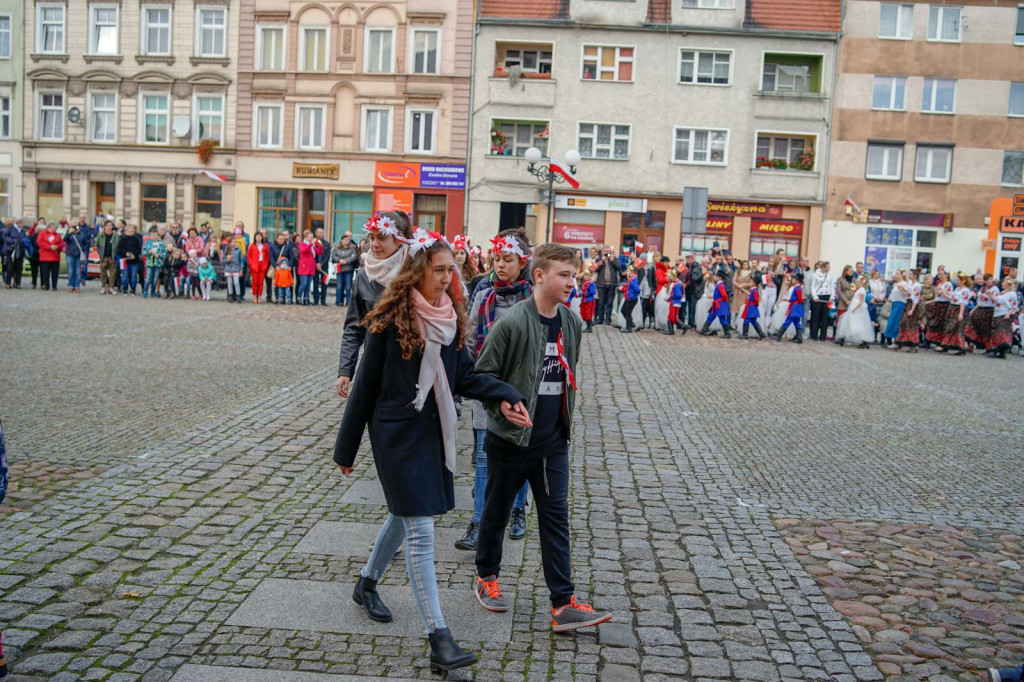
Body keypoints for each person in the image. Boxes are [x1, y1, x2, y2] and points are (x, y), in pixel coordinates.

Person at [334, 230, 529, 673]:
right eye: (438, 270)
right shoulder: (387, 321)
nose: (446, 279)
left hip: (432, 430)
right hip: (395, 437)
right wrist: (346, 450)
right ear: (417, 272)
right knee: (421, 530)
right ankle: (439, 639)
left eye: (450, 271)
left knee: (405, 517)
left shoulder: (448, 318)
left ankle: (366, 583)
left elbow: (463, 377)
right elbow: (364, 389)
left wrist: (504, 394)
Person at [472, 242, 613, 635]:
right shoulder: (513, 323)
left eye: (574, 275)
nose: (572, 282)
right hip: (511, 442)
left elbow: (566, 377)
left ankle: (563, 603)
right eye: (564, 275)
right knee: (496, 512)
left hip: (552, 442)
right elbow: (481, 377)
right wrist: (502, 402)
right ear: (539, 275)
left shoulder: (571, 322)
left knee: (555, 519)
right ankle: (486, 575)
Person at [456, 228, 534, 552]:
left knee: (520, 452)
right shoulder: (483, 291)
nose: (500, 264)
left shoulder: (533, 294)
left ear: (522, 262)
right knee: (486, 457)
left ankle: (517, 511)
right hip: (489, 385)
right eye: (497, 258)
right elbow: (471, 337)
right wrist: (472, 379)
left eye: (508, 259)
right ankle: (478, 521)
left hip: (524, 387)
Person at [336, 211, 415, 399]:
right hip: (376, 366)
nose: (374, 244)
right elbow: (354, 327)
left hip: (412, 367)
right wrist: (345, 370)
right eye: (371, 237)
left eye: (382, 238)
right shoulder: (365, 276)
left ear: (399, 240)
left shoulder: (415, 272)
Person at [834, 277, 873, 349]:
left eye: (858, 281)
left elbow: (861, 301)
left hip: (858, 309)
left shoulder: (862, 290)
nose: (856, 283)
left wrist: (855, 308)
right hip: (854, 307)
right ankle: (843, 337)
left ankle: (863, 340)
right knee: (848, 322)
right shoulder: (859, 290)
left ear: (861, 283)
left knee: (858, 324)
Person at [987, 278, 1020, 359]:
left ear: (1008, 284)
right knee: (996, 332)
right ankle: (998, 349)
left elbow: (1013, 305)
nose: (1002, 284)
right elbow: (996, 301)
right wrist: (991, 295)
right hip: (997, 314)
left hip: (1005, 314)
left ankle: (1000, 350)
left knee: (1002, 333)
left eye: (1004, 282)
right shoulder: (1002, 293)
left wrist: (1008, 314)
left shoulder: (1012, 294)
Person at [966, 274, 999, 351]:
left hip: (989, 310)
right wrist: (973, 310)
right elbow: (979, 302)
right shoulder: (982, 289)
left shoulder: (995, 289)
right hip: (981, 309)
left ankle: (988, 348)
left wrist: (990, 295)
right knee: (974, 326)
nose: (989, 281)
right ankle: (971, 344)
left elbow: (996, 301)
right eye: (987, 280)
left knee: (987, 330)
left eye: (990, 279)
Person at [894, 269, 923, 352]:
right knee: (904, 323)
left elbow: (916, 298)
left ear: (915, 276)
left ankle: (913, 343)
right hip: (908, 303)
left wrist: (912, 309)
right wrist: (902, 290)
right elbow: (909, 294)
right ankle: (901, 341)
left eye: (911, 274)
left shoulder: (917, 285)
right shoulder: (910, 284)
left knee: (911, 324)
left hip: (913, 305)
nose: (909, 275)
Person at [770, 273, 805, 343]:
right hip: (795, 307)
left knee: (788, 321)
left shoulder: (797, 288)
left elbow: (800, 299)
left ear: (798, 281)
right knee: (797, 322)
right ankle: (799, 337)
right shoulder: (797, 288)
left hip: (795, 307)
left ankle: (779, 335)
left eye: (795, 279)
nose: (793, 280)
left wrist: (789, 300)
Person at [592, 245, 621, 325]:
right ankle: (600, 318)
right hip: (601, 284)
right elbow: (595, 269)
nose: (607, 253)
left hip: (612, 284)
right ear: (602, 252)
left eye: (608, 251)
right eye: (605, 251)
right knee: (601, 302)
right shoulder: (599, 259)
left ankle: (608, 319)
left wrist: (613, 261)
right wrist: (601, 261)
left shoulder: (614, 258)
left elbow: (619, 267)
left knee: (610, 302)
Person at [698, 271, 731, 338]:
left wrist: (719, 301)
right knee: (710, 316)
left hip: (719, 305)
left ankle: (727, 333)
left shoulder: (721, 285)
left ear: (720, 277)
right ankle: (704, 330)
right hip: (716, 305)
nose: (715, 277)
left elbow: (724, 295)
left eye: (716, 276)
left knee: (722, 318)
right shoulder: (718, 284)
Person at [926, 270, 953, 350]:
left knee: (943, 324)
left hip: (945, 305)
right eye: (939, 274)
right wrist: (928, 302)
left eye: (941, 274)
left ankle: (944, 344)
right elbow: (937, 298)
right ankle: (937, 341)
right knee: (937, 324)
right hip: (938, 305)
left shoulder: (948, 284)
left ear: (946, 275)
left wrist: (943, 292)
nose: (940, 276)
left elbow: (950, 297)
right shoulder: (940, 284)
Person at [331, 232, 359, 307]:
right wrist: (339, 260)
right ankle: (338, 301)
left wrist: (346, 260)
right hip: (339, 269)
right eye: (345, 240)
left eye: (348, 240)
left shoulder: (352, 248)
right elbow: (334, 256)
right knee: (339, 286)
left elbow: (354, 257)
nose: (347, 241)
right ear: (342, 240)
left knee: (348, 286)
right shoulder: (337, 247)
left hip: (348, 269)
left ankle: (348, 302)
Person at [809, 262, 834, 341]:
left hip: (827, 296)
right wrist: (815, 296)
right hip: (818, 295)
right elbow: (813, 286)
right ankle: (814, 334)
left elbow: (832, 286)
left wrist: (832, 296)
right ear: (823, 267)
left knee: (825, 317)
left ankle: (823, 335)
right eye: (827, 267)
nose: (828, 269)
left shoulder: (830, 275)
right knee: (816, 316)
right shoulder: (815, 275)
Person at [115, 224, 142, 295]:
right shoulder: (122, 239)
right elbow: (119, 249)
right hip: (124, 260)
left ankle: (133, 289)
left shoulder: (136, 240)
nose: (130, 232)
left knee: (133, 276)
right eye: (128, 231)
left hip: (134, 260)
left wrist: (134, 255)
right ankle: (125, 288)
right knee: (124, 276)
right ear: (125, 231)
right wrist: (125, 253)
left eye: (131, 231)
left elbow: (139, 249)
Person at [36, 221, 63, 291]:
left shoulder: (58, 235)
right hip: (45, 256)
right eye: (55, 227)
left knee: (55, 272)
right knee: (45, 272)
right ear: (51, 227)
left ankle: (54, 285)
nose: (56, 228)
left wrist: (57, 246)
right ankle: (46, 285)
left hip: (55, 257)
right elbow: (40, 242)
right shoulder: (42, 234)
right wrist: (49, 246)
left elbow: (62, 243)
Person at [296, 230, 320, 305]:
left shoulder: (312, 245)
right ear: (306, 237)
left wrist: (320, 246)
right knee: (304, 283)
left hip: (311, 266)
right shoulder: (302, 244)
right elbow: (304, 250)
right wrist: (311, 244)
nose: (312, 238)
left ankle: (306, 298)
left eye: (312, 237)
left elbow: (318, 252)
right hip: (304, 266)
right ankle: (299, 297)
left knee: (308, 284)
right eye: (311, 237)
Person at [95, 222, 119, 295]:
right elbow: (97, 245)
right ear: (105, 226)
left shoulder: (115, 235)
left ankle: (111, 288)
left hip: (112, 257)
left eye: (110, 225)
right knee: (103, 273)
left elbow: (118, 245)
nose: (109, 227)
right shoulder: (101, 234)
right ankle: (103, 287)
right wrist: (100, 253)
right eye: (107, 225)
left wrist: (115, 254)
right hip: (103, 257)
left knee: (112, 274)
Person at [63, 222, 88, 293]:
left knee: (77, 271)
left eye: (76, 227)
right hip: (70, 254)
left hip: (78, 254)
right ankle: (71, 285)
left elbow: (86, 244)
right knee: (70, 271)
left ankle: (77, 286)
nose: (75, 228)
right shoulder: (69, 233)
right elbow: (64, 240)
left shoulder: (82, 234)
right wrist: (69, 232)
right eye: (73, 227)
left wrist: (83, 249)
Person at [246, 232, 271, 304]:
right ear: (255, 237)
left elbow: (267, 256)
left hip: (262, 265)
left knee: (260, 282)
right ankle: (254, 296)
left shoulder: (265, 246)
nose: (259, 237)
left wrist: (265, 265)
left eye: (260, 236)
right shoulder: (252, 246)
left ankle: (259, 296)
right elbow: (249, 256)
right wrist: (251, 265)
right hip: (255, 265)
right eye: (257, 236)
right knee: (255, 282)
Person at [142, 231, 168, 298]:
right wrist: (148, 252)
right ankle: (145, 291)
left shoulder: (161, 244)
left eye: (155, 235)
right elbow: (143, 252)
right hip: (149, 263)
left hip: (157, 264)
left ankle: (153, 292)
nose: (153, 237)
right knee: (148, 278)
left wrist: (159, 255)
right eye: (152, 235)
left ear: (158, 236)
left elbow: (165, 253)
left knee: (155, 279)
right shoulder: (147, 243)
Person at [731, 260, 754, 329]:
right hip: (738, 292)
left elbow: (751, 283)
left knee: (743, 309)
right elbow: (734, 281)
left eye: (746, 265)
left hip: (746, 292)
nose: (745, 266)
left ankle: (741, 325)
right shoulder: (737, 272)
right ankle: (733, 324)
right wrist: (739, 286)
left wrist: (744, 285)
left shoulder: (751, 273)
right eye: (744, 265)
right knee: (735, 308)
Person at [684, 254, 704, 329]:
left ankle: (691, 323)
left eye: (691, 258)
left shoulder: (697, 266)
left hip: (693, 289)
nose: (689, 259)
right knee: (683, 308)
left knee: (692, 308)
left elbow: (697, 277)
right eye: (688, 258)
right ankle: (682, 323)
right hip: (684, 289)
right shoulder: (683, 266)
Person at [619, 266, 641, 333]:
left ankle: (629, 328)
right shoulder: (629, 280)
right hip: (627, 298)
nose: (627, 272)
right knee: (623, 310)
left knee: (628, 313)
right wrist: (622, 288)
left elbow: (638, 289)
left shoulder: (632, 281)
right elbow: (627, 288)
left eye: (628, 271)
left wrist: (635, 294)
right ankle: (631, 323)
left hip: (631, 299)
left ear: (632, 273)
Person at [223, 237, 244, 303]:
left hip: (236, 269)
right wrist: (227, 260)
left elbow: (241, 260)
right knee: (229, 283)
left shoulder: (238, 250)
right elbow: (223, 259)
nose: (234, 243)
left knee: (236, 282)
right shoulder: (227, 250)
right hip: (229, 269)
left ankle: (238, 295)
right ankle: (230, 295)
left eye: (235, 242)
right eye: (233, 242)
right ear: (229, 243)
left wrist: (241, 269)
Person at [312, 227, 330, 306]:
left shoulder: (326, 243)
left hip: (324, 266)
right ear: (316, 234)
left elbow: (327, 255)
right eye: (319, 232)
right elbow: (312, 254)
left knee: (324, 284)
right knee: (315, 283)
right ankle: (315, 299)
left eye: (322, 232)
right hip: (315, 266)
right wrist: (316, 263)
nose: (321, 234)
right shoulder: (313, 243)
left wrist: (322, 263)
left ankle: (323, 300)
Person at [664, 270, 685, 336]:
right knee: (670, 316)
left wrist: (671, 297)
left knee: (674, 317)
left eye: (672, 276)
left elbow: (678, 295)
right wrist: (669, 299)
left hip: (676, 303)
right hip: (673, 302)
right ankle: (670, 330)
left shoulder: (678, 284)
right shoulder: (675, 283)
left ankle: (684, 326)